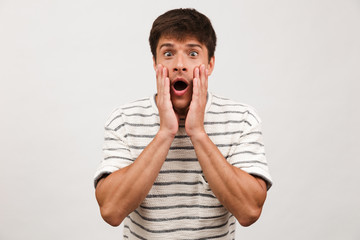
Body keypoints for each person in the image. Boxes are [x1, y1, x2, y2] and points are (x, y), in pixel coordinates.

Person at [94, 8, 272, 239]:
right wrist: (165, 133)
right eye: (168, 54)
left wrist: (198, 133)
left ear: (210, 64)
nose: (180, 65)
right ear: (155, 63)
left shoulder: (242, 119)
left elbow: (249, 211)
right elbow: (111, 211)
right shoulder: (123, 120)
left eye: (192, 53)